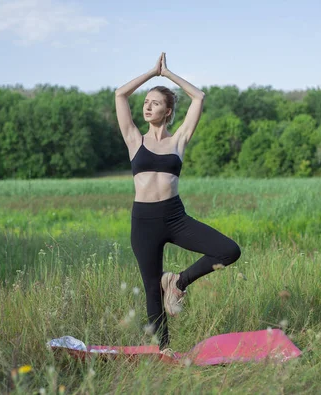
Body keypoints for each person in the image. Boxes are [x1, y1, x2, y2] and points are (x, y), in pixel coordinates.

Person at [114, 53, 241, 355]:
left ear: (168, 110)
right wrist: (151, 73)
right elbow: (120, 94)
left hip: (174, 216)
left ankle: (178, 282)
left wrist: (168, 75)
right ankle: (164, 352)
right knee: (150, 292)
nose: (147, 106)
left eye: (155, 103)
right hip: (143, 222)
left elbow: (198, 96)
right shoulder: (135, 139)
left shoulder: (179, 140)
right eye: (145, 102)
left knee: (229, 250)